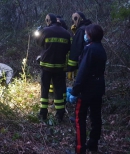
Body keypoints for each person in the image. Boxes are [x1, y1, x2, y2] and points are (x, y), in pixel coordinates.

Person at [67, 24, 107, 154]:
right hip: (98, 87)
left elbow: (83, 72)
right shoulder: (101, 48)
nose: (85, 35)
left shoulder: (89, 49)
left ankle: (80, 149)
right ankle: (93, 144)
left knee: (79, 119)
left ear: (90, 35)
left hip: (87, 89)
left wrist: (74, 91)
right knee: (96, 117)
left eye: (86, 33)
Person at [35, 13, 71, 123]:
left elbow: (39, 43)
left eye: (47, 20)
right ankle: (60, 115)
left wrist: (39, 33)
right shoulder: (66, 33)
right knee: (59, 89)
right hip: (60, 67)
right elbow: (69, 49)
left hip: (46, 66)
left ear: (50, 21)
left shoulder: (45, 31)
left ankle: (43, 113)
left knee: (45, 89)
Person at [67, 12, 92, 79]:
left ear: (80, 19)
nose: (74, 22)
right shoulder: (90, 28)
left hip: (82, 64)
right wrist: (75, 33)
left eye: (75, 19)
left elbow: (75, 49)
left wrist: (70, 68)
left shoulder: (81, 30)